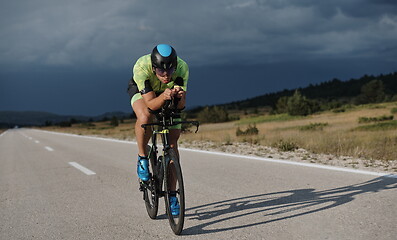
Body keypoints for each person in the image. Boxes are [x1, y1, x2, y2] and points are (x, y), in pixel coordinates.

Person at [127, 44, 189, 215]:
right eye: (161, 71)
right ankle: (142, 158)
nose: (166, 75)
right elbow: (151, 105)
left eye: (170, 71)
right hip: (144, 93)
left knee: (173, 145)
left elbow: (182, 106)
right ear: (154, 67)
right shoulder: (142, 67)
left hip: (167, 93)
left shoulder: (183, 68)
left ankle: (172, 195)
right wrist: (163, 96)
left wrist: (180, 97)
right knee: (146, 116)